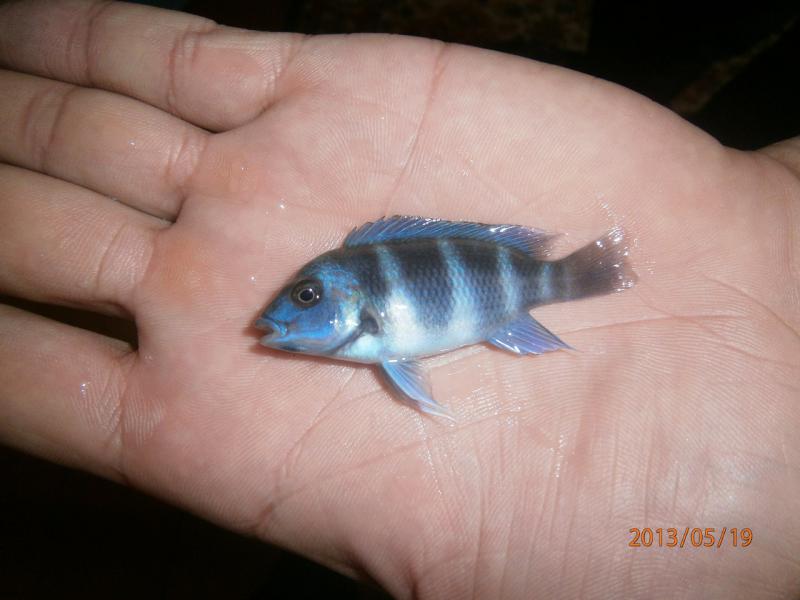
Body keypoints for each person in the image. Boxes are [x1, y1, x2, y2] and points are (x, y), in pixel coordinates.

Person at [0, 1, 798, 597]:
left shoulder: (367, 312)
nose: (280, 314)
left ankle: (573, 275)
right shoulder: (362, 323)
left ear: (344, 302)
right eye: (300, 296)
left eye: (304, 296)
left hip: (504, 285)